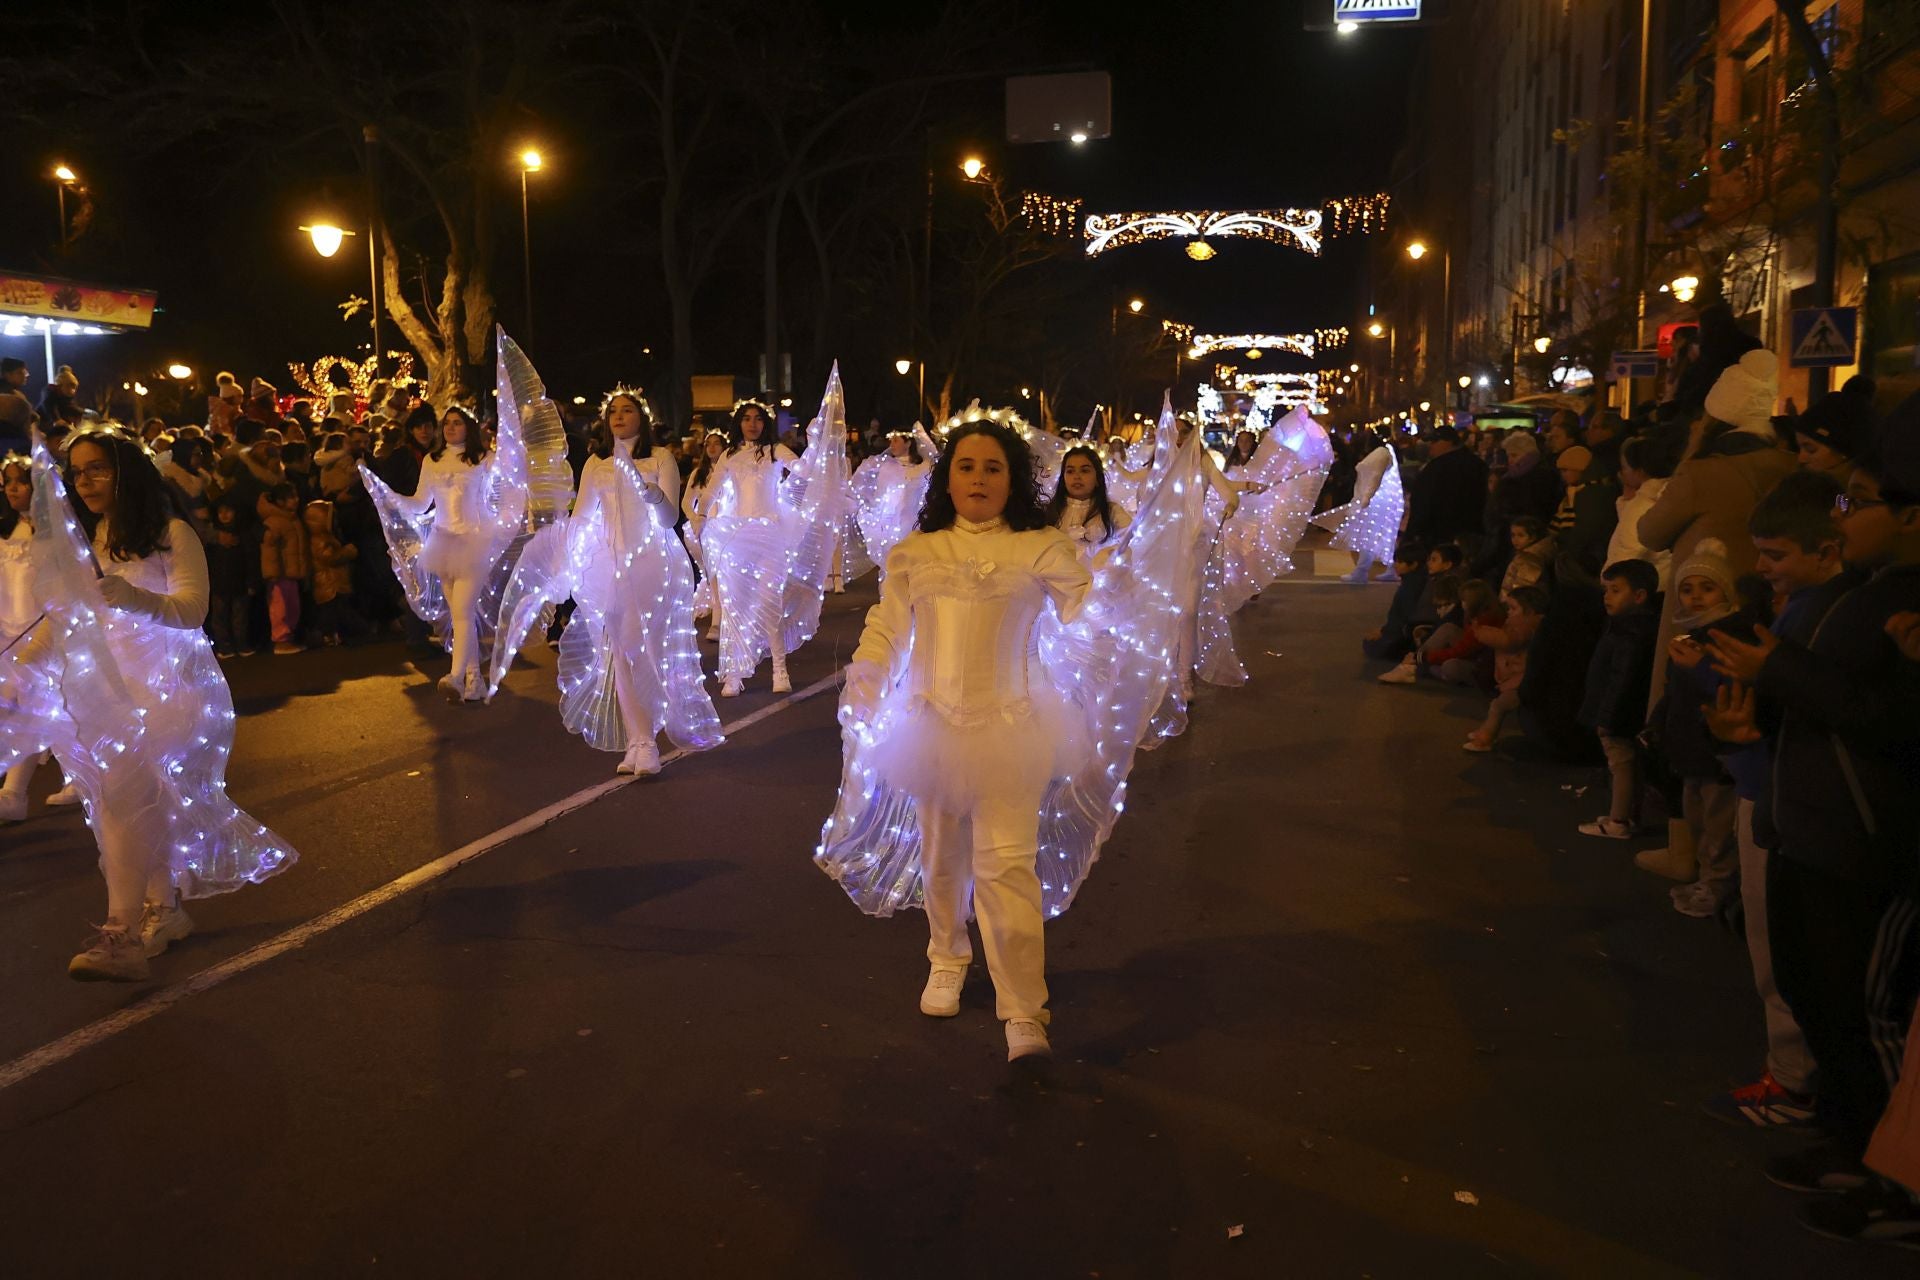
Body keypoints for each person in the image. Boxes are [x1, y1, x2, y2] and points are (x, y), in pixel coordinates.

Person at [1702, 401, 1920, 1197]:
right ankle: (1843, 1132)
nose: (1841, 505)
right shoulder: (1855, 592)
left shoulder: (1897, 599)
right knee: (1816, 993)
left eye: (1853, 499)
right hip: (1806, 826)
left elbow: (1885, 717)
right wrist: (1746, 727)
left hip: (1860, 844)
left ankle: (1884, 1166)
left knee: (1863, 1012)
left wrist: (1777, 675)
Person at [836, 419, 1091, 1062]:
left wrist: (1120, 585)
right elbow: (888, 628)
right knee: (942, 858)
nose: (978, 479)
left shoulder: (1041, 547)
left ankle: (1023, 1008)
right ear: (948, 477)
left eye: (993, 468)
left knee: (1007, 866)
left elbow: (1087, 609)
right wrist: (866, 678)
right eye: (967, 467)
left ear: (1015, 480)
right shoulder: (918, 552)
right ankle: (947, 955)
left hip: (1012, 729)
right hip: (933, 729)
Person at [0, 430, 297, 980]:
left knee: (122, 794)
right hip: (112, 694)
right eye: (77, 471)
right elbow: (67, 618)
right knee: (133, 804)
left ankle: (121, 934)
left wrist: (130, 596)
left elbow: (192, 610)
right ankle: (164, 910)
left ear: (124, 472)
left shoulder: (172, 533)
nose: (84, 481)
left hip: (174, 691)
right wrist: (21, 666)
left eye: (95, 469)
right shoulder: (95, 539)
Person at [1697, 470, 1855, 1131]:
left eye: (1776, 555)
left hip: (1789, 801)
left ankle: (1796, 1083)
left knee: (1788, 955)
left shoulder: (1829, 617)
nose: (1762, 569)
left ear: (1829, 549)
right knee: (1782, 953)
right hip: (1773, 788)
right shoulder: (1807, 609)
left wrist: (1749, 726)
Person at [546, 388, 720, 775]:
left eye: (628, 411)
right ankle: (638, 741)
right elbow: (584, 516)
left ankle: (647, 740)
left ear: (641, 416)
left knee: (640, 649)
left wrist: (653, 493)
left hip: (650, 565)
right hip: (607, 566)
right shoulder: (596, 462)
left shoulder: (660, 458)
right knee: (616, 652)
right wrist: (562, 558)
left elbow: (669, 517)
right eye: (614, 412)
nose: (620, 417)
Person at [1656, 539, 1746, 914]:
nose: (1695, 598)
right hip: (1691, 748)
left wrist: (1699, 669)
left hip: (1716, 754)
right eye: (1687, 589)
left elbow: (1730, 690)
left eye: (1708, 588)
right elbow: (1675, 694)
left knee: (1718, 827)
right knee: (1697, 819)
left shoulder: (1729, 637)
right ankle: (1706, 878)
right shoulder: (1688, 637)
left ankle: (1719, 886)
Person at [704, 398, 802, 697]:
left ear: (765, 422)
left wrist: (818, 454)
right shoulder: (730, 455)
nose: (752, 423)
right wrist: (699, 514)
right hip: (737, 537)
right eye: (746, 418)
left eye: (758, 418)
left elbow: (802, 468)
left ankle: (779, 669)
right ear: (739, 423)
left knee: (770, 603)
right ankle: (734, 672)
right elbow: (712, 489)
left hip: (770, 536)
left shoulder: (775, 451)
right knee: (736, 606)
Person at [1576, 559, 1661, 837]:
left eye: (1615, 590)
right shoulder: (1632, 627)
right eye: (1606, 590)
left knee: (1620, 765)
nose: (1606, 596)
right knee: (1628, 765)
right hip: (1626, 713)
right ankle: (1628, 815)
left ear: (1639, 596)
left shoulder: (1629, 631)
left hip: (1618, 715)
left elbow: (1621, 678)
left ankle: (1618, 821)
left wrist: (1606, 718)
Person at [1464, 584, 1547, 752]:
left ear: (1529, 611)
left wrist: (1480, 631)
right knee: (1498, 705)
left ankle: (1486, 738)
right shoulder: (1522, 624)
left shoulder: (1526, 626)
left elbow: (1507, 641)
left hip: (1522, 679)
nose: (1508, 612)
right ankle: (1485, 731)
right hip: (1518, 676)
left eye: (1513, 608)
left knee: (1498, 706)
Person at [1606, 434, 1677, 589]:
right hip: (1662, 583)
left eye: (1625, 467)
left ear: (1640, 471)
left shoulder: (1642, 506)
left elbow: (1628, 551)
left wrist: (1609, 585)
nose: (1621, 473)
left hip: (1641, 591)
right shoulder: (1668, 497)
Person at [1403, 425, 1488, 552]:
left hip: (1438, 533)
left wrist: (1411, 534)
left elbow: (1423, 502)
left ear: (1449, 442)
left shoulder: (1436, 468)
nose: (1431, 445)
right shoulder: (1477, 464)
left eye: (1435, 442)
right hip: (1470, 532)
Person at [1045, 444, 1131, 563]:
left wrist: (1109, 557)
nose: (1076, 477)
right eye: (1070, 471)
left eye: (1084, 470)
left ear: (1097, 478)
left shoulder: (1112, 512)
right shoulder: (1049, 512)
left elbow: (1132, 541)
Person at [681, 430, 728, 633]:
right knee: (712, 573)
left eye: (717, 443)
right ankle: (717, 621)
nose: (712, 447)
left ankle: (719, 621)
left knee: (721, 574)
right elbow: (686, 502)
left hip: (727, 528)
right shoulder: (699, 473)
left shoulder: (731, 471)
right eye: (708, 443)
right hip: (704, 530)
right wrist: (695, 519)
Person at [304, 499, 368, 646]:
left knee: (336, 611)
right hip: (328, 583)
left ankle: (334, 634)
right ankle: (324, 635)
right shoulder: (319, 540)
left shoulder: (326, 537)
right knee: (332, 612)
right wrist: (348, 552)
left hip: (333, 582)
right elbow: (330, 558)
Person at [257, 481, 310, 655]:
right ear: (279, 501)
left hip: (291, 573)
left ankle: (288, 638)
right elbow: (269, 550)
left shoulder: (291, 519)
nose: (295, 500)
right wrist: (272, 574)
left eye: (295, 497)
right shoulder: (275, 522)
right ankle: (281, 640)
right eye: (290, 498)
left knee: (292, 606)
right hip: (280, 575)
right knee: (280, 608)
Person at [1791, 379, 1875, 487]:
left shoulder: (1847, 497)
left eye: (1811, 450)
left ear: (1843, 452)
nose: (1801, 459)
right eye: (1799, 448)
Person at [204, 500, 257, 658]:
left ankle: (241, 644)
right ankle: (225, 646)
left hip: (239, 583)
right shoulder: (214, 538)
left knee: (239, 617)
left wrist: (252, 582)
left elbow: (251, 560)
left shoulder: (244, 535)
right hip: (219, 584)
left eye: (228, 510)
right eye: (221, 511)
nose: (225, 515)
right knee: (220, 617)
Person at [0, 358, 35, 455]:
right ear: (8, 375)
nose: (24, 375)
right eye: (20, 372)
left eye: (25, 372)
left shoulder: (15, 393)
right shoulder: (8, 396)